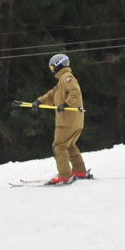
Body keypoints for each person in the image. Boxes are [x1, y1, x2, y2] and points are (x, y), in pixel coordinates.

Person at [30, 53, 88, 184]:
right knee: (69, 145)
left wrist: (66, 104)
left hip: (67, 121)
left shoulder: (66, 77)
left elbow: (75, 92)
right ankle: (79, 171)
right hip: (75, 120)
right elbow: (52, 95)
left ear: (58, 65)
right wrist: (39, 101)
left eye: (52, 67)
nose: (52, 71)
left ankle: (64, 176)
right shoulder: (62, 80)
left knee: (59, 146)